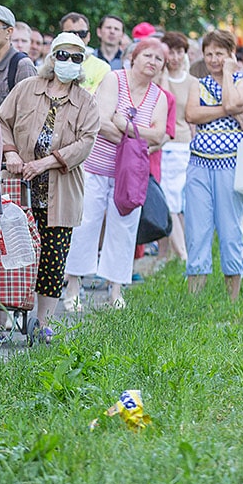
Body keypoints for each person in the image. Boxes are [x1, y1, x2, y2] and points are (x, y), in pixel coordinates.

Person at [0, 32, 99, 343]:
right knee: (14, 252)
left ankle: (44, 323)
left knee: (54, 256)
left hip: (60, 190)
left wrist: (47, 162)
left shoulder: (86, 101)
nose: (68, 62)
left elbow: (86, 142)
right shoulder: (27, 89)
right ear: (52, 57)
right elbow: (0, 121)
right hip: (19, 188)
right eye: (62, 55)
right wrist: (11, 152)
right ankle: (6, 317)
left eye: (76, 57)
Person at [62, 38, 173, 310]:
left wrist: (123, 124)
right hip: (96, 166)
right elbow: (100, 120)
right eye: (147, 55)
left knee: (123, 229)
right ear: (133, 57)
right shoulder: (114, 79)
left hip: (130, 175)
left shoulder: (159, 96)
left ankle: (116, 290)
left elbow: (159, 134)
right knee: (85, 224)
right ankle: (74, 285)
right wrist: (135, 140)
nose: (153, 62)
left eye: (159, 59)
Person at [184, 29, 243, 300]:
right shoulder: (196, 84)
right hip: (199, 165)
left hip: (231, 166)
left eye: (220, 54)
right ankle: (195, 298)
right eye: (209, 54)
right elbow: (192, 114)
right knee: (197, 230)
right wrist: (231, 111)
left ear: (231, 55)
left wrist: (228, 74)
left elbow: (232, 98)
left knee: (229, 229)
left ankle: (232, 299)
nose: (213, 59)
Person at [156, 32, 196, 266]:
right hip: (163, 143)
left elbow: (191, 117)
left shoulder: (192, 82)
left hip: (183, 144)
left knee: (178, 201)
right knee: (168, 198)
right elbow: (163, 100)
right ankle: (177, 254)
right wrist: (163, 72)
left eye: (179, 51)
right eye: (171, 51)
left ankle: (180, 253)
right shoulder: (160, 77)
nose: (175, 56)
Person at [57, 12, 111, 92]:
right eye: (71, 33)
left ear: (88, 36)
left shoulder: (103, 68)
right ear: (61, 35)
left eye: (82, 33)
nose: (77, 37)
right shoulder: (52, 63)